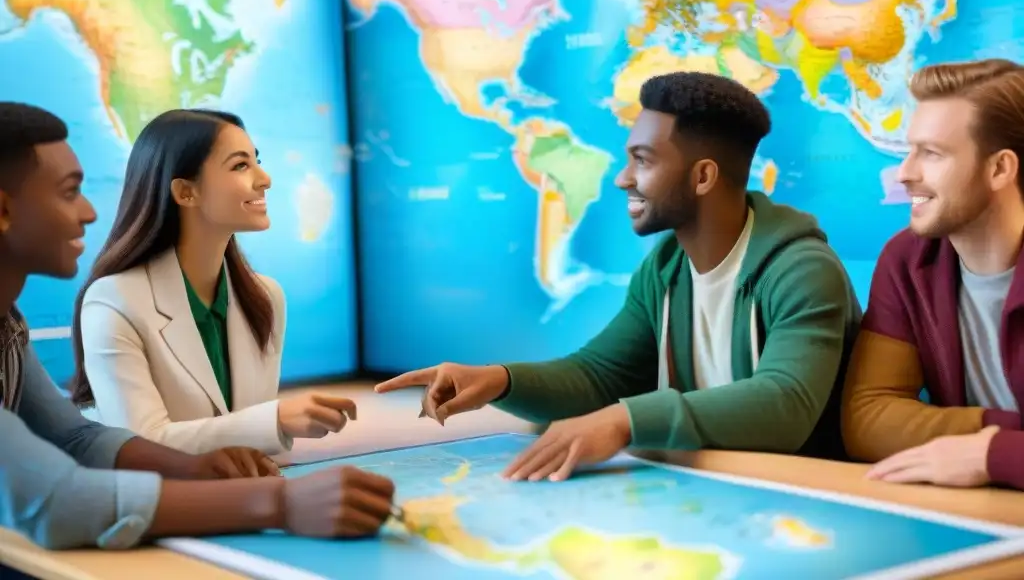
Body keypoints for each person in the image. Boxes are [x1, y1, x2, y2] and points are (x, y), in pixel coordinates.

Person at [377, 72, 862, 481]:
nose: (622, 178)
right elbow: (599, 375)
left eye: (643, 160)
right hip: (723, 488)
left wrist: (626, 420)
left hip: (811, 496)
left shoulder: (802, 270)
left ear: (703, 177)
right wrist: (500, 381)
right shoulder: (666, 268)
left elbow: (786, 405)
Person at [0, 101, 396, 550]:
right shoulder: (114, 298)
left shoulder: (8, 327)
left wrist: (195, 467)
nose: (90, 213)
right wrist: (279, 503)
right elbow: (56, 502)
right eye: (70, 192)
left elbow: (75, 437)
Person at [67, 109, 357, 456]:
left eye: (257, 161)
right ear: (186, 193)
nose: (265, 179)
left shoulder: (265, 297)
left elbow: (257, 449)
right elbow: (141, 446)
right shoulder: (114, 300)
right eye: (240, 165)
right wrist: (275, 420)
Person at [841, 59, 1024, 491]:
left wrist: (993, 454)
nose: (905, 173)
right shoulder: (907, 261)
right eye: (910, 150)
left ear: (1000, 169)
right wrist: (1002, 434)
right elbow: (868, 417)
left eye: (932, 154)